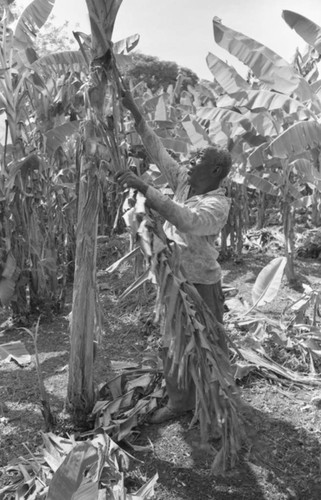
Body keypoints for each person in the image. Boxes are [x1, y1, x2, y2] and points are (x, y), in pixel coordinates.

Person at [115, 90, 232, 424]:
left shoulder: (217, 204)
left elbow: (187, 220)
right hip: (172, 279)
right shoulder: (184, 181)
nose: (189, 164)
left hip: (201, 282)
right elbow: (159, 151)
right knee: (173, 341)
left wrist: (146, 190)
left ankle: (217, 397)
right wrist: (134, 110)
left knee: (208, 342)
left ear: (216, 170)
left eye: (197, 161)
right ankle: (180, 402)